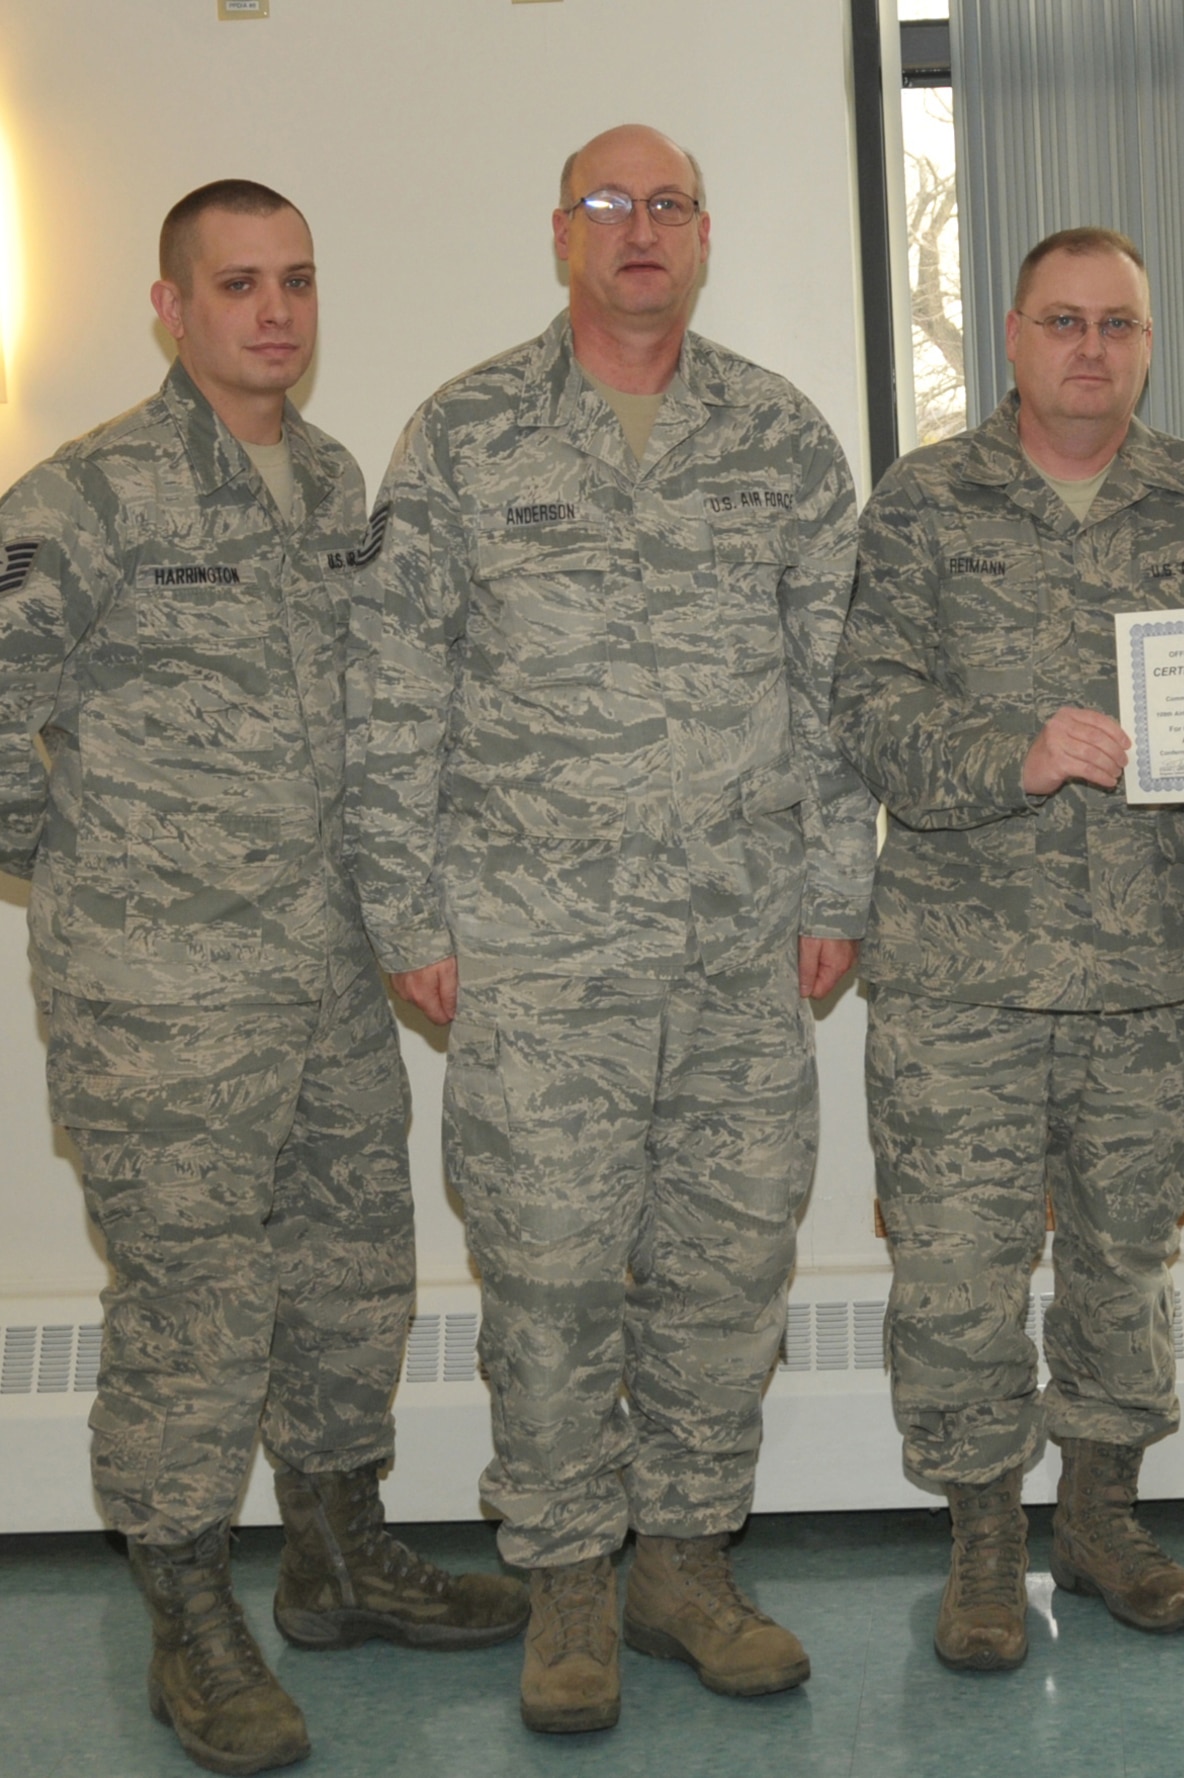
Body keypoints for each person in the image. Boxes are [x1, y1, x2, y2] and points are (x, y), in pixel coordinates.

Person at [344, 125, 874, 1735]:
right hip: (535, 956)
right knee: (553, 1277)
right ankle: (572, 1576)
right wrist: (406, 908)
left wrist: (837, 886)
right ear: (560, 234)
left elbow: (838, 685)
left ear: (703, 236)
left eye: (667, 205)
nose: (637, 230)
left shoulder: (779, 437)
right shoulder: (465, 433)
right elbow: (395, 692)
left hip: (737, 949)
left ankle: (687, 1562)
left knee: (725, 1271)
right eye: (605, 205)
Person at [0, 181, 527, 1777]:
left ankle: (334, 1551)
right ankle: (186, 1610)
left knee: (357, 1272)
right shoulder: (85, 494)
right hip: (161, 998)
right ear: (171, 308)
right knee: (192, 1311)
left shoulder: (333, 482)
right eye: (237, 285)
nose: (274, 311)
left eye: (296, 280)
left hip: (323, 982)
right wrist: (92, 872)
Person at [831, 227, 1184, 1674]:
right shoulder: (926, 502)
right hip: (964, 969)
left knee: (1125, 1263)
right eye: (1065, 322)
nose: (1093, 348)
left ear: (1150, 344)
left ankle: (1097, 1515)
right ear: (1011, 337)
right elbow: (869, 705)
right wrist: (1009, 751)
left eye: (1121, 326)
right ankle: (981, 1542)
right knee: (956, 1273)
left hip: (1148, 963)